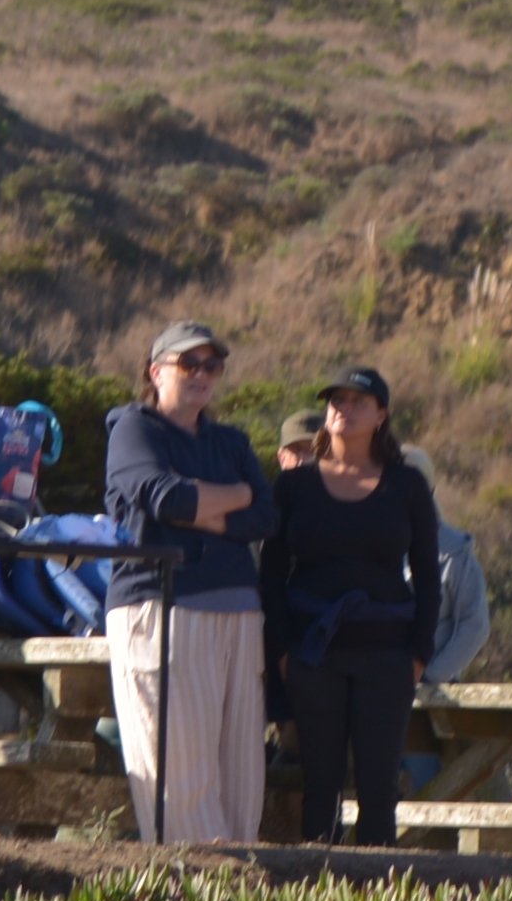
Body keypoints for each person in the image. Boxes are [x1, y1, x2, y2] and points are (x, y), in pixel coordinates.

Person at [105, 320, 273, 846]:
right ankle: (195, 890)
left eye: (211, 365)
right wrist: (236, 495)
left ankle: (239, 900)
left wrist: (205, 503)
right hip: (164, 606)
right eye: (188, 363)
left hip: (239, 612)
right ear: (156, 372)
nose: (202, 374)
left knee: (241, 774)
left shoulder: (231, 441)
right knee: (179, 769)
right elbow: (165, 498)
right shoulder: (134, 429)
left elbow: (267, 516)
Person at [266, 364, 441, 839]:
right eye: (336, 401)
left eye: (358, 401)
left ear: (381, 414)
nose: (344, 409)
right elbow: (272, 573)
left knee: (379, 790)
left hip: (388, 656)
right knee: (320, 787)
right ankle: (317, 898)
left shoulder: (406, 487)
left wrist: (419, 655)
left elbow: (428, 574)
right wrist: (282, 652)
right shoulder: (294, 488)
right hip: (312, 654)